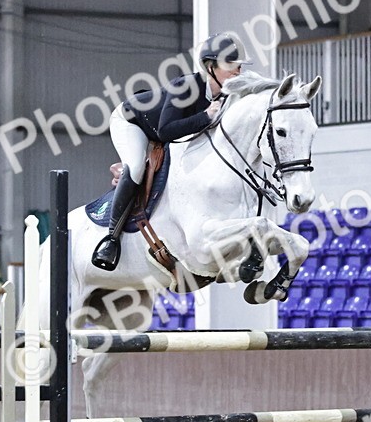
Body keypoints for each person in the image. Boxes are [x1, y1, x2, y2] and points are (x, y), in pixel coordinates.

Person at [91, 33, 251, 271]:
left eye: (239, 66)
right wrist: (205, 116)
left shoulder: (227, 97)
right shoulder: (185, 86)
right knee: (135, 167)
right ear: (210, 66)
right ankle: (111, 238)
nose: (238, 71)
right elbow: (166, 131)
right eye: (231, 65)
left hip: (160, 131)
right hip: (133, 122)